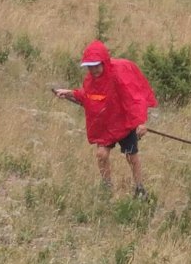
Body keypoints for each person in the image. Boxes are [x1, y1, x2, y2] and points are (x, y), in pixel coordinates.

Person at [53, 40, 158, 197]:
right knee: (101, 155)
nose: (93, 70)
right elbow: (88, 96)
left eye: (96, 65)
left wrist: (140, 123)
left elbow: (134, 99)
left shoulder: (118, 76)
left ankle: (140, 188)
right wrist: (69, 92)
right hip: (106, 126)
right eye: (90, 66)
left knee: (131, 156)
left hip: (124, 123)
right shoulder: (90, 80)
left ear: (103, 62)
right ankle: (107, 189)